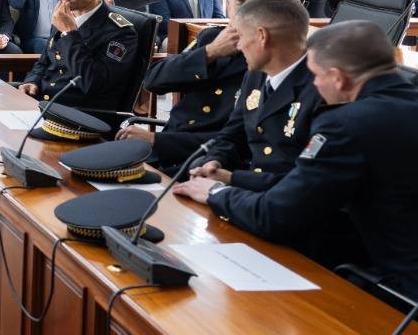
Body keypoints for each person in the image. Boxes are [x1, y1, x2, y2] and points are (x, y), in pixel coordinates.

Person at [173, 21, 418, 298]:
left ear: (338, 78)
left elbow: (276, 216)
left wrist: (216, 192)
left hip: (400, 295)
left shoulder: (345, 125)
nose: (313, 84)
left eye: (315, 75)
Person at [121, 0, 280, 175]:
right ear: (229, 6)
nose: (248, 15)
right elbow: (154, 81)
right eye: (241, 4)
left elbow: (243, 141)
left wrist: (158, 140)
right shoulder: (211, 37)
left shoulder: (275, 63)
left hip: (207, 163)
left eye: (260, 6)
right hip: (163, 151)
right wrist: (210, 52)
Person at [180, 0, 325, 192]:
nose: (238, 46)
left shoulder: (323, 89)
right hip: (251, 193)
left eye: (240, 36)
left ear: (262, 36)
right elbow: (233, 133)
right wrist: (214, 161)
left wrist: (232, 179)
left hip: (287, 201)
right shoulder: (257, 74)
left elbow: (307, 181)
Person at [19, 0, 139, 112]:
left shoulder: (121, 33)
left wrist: (70, 33)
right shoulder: (66, 14)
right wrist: (32, 80)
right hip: (43, 105)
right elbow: (45, 61)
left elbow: (92, 83)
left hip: (80, 117)